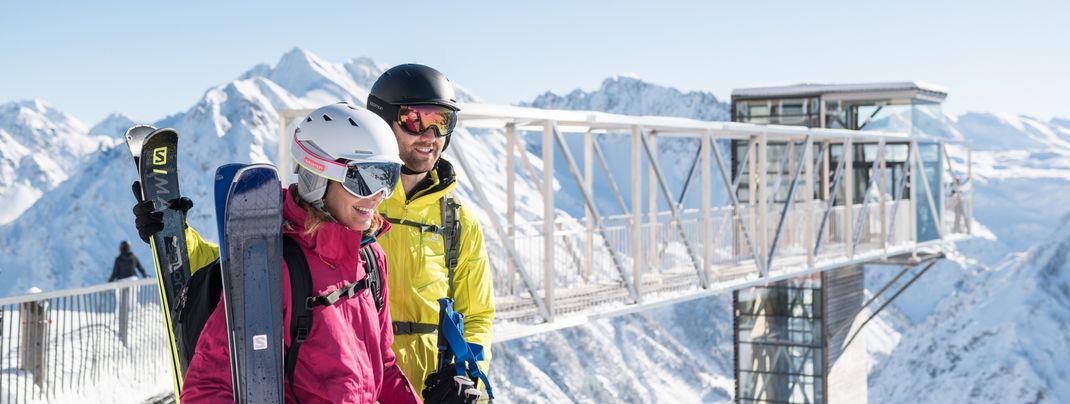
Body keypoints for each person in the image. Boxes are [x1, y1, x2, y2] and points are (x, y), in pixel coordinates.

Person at [132, 103, 421, 403]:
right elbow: (207, 389)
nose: (377, 196)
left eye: (387, 178)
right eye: (364, 180)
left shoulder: (370, 259)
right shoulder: (274, 268)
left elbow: (384, 368)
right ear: (318, 177)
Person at [366, 64, 495, 400]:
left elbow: (477, 315)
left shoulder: (457, 221)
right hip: (362, 383)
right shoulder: (355, 204)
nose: (430, 136)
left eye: (442, 122)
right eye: (415, 120)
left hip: (430, 389)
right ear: (382, 121)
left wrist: (467, 381)